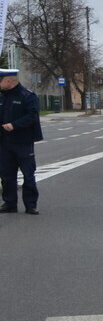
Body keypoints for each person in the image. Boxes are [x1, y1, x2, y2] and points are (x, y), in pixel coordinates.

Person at [0, 68, 43, 215]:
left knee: (28, 174)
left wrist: (14, 125)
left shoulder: (27, 96)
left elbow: (32, 116)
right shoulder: (2, 96)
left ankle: (30, 205)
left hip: (23, 142)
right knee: (6, 175)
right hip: (5, 142)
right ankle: (9, 203)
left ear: (8, 81)